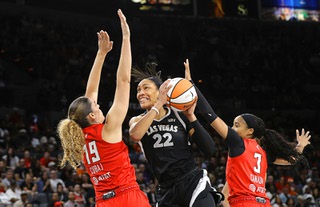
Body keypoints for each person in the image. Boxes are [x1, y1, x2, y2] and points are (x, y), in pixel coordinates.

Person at [183, 59, 311, 207]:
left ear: (250, 131)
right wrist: (300, 145)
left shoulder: (237, 142)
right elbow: (293, 159)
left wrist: (191, 85)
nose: (233, 128)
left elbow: (210, 114)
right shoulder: (264, 152)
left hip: (244, 203)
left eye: (236, 125)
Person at [56, 9, 150, 207]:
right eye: (97, 107)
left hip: (103, 202)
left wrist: (101, 53)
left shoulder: (80, 137)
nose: (99, 106)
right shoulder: (109, 128)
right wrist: (126, 37)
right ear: (91, 115)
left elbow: (89, 94)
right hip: (128, 198)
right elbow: (123, 81)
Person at [129, 62, 222, 207]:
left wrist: (191, 117)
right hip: (166, 189)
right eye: (138, 90)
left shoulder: (179, 115)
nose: (140, 93)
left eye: (146, 88)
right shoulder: (137, 120)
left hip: (191, 181)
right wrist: (159, 104)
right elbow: (135, 135)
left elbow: (210, 150)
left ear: (160, 91)